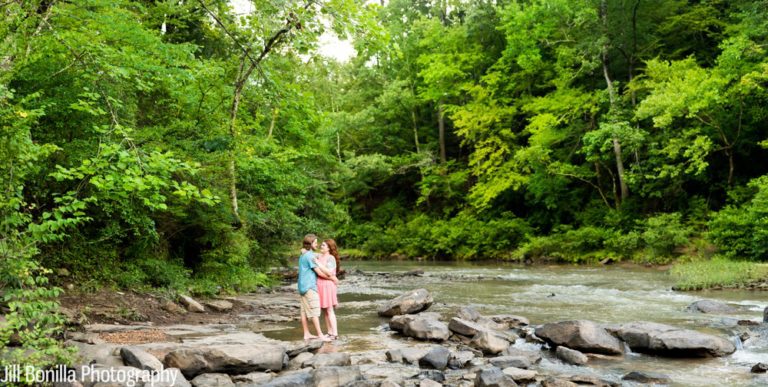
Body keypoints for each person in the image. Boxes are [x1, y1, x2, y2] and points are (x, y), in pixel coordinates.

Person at [297, 234, 337, 341]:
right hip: (310, 286)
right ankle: (320, 335)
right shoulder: (310, 256)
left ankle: (307, 334)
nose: (317, 245)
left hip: (301, 286)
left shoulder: (303, 255)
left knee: (304, 311)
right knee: (314, 311)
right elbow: (319, 272)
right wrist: (332, 278)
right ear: (310, 244)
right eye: (315, 242)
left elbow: (317, 255)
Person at [315, 239, 340, 339]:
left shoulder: (331, 258)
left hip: (328, 285)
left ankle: (335, 333)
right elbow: (308, 253)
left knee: (329, 310)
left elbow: (329, 272)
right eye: (321, 245)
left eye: (324, 246)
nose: (321, 246)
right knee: (324, 309)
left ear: (329, 248)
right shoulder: (318, 256)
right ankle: (329, 332)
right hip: (320, 284)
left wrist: (318, 263)